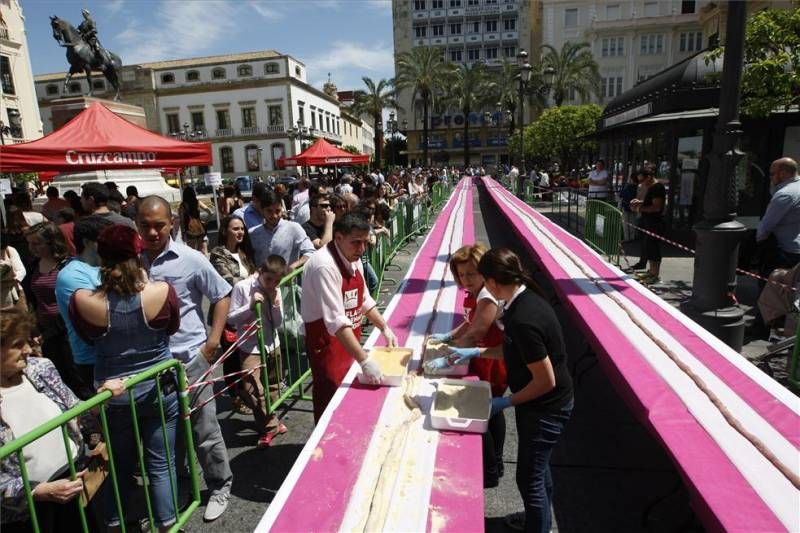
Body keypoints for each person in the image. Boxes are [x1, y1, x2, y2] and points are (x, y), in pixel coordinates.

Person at [426, 248, 573, 533]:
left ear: (491, 282)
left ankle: (537, 526)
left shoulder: (523, 319)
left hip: (546, 407)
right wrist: (474, 351)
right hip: (543, 403)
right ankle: (537, 519)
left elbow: (546, 381)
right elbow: (510, 350)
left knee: (529, 478)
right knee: (539, 470)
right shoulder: (522, 299)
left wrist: (504, 402)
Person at [69, 224, 181, 532]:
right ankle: (167, 525)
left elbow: (87, 338)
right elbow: (171, 328)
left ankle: (115, 523)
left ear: (100, 257)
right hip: (159, 387)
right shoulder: (162, 291)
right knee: (162, 463)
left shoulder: (82, 300)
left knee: (118, 465)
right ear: (138, 252)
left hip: (112, 395)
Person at [135, 196, 233, 522]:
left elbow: (221, 295)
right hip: (154, 366)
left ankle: (220, 485)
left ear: (171, 224)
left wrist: (213, 342)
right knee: (169, 434)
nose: (152, 232)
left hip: (191, 359)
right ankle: (184, 488)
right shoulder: (132, 265)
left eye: (159, 225)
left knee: (205, 431)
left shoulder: (190, 259)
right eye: (145, 225)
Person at [0, 308, 101, 533]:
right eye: (17, 345)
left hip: (73, 483)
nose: (27, 350)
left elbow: (77, 409)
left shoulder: (40, 368)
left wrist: (102, 400)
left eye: (27, 341)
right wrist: (35, 492)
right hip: (29, 511)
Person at [300, 213, 397, 422]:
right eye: (356, 243)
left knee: (348, 396)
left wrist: (384, 327)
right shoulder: (324, 266)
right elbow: (336, 321)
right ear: (338, 237)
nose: (362, 249)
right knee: (330, 397)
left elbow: (363, 299)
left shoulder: (353, 258)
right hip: (326, 343)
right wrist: (364, 359)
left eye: (365, 242)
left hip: (348, 338)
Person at [430, 243, 508, 488]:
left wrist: (447, 357)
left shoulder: (486, 295)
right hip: (480, 358)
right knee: (488, 410)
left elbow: (476, 334)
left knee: (484, 411)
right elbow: (467, 324)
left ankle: (492, 470)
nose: (466, 279)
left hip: (492, 362)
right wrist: (448, 337)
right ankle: (496, 461)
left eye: (471, 274)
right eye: (461, 275)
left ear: (484, 271)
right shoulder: (474, 294)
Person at [228, 255, 287, 447]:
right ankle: (269, 426)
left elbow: (277, 323)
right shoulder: (243, 287)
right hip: (250, 346)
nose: (272, 284)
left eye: (276, 281)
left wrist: (276, 303)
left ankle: (271, 421)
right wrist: (250, 306)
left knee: (273, 385)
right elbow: (231, 319)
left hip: (272, 343)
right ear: (261, 272)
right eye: (269, 279)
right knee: (253, 389)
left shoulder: (275, 290)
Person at [55, 215, 114, 399]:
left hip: (115, 355)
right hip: (93, 361)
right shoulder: (71, 275)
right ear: (88, 242)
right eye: (104, 240)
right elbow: (104, 315)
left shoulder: (108, 266)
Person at [209, 215, 257, 415]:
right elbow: (231, 281)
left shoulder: (244, 253)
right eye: (235, 229)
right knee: (231, 358)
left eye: (242, 229)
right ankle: (236, 396)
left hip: (246, 313)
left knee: (245, 353)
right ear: (225, 231)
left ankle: (249, 393)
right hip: (227, 313)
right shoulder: (218, 254)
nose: (240, 233)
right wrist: (256, 280)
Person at [23, 222, 74, 382]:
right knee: (58, 375)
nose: (32, 248)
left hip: (68, 331)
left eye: (37, 243)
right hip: (45, 332)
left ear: (52, 242)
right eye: (30, 243)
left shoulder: (68, 265)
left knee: (75, 374)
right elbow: (32, 299)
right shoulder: (33, 266)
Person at [249, 189, 315, 270]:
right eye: (269, 211)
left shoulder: (294, 228)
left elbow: (310, 252)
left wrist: (293, 266)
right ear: (262, 211)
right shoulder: (252, 233)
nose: (274, 216)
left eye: (277, 211)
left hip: (287, 281)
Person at [756, 157, 800, 274]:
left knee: (771, 289)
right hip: (795, 249)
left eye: (772, 174)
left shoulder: (785, 194)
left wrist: (758, 244)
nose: (770, 177)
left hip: (784, 252)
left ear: (783, 173)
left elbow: (766, 226)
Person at [629, 171, 665, 283]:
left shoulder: (657, 187)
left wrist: (639, 208)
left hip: (654, 222)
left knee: (653, 248)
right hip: (648, 221)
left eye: (642, 180)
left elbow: (656, 207)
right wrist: (640, 202)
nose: (641, 183)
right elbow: (651, 202)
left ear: (649, 177)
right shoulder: (651, 187)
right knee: (648, 247)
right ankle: (651, 272)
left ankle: (655, 275)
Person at [178, 187, 212, 254]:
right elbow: (211, 212)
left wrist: (182, 233)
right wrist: (205, 222)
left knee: (192, 252)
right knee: (203, 251)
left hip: (190, 231)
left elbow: (181, 221)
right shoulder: (198, 202)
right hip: (200, 229)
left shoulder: (182, 206)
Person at [618, 172, 641, 243]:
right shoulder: (639, 187)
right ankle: (632, 237)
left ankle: (627, 238)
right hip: (635, 207)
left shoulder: (628, 186)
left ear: (631, 179)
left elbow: (621, 194)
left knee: (625, 223)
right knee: (633, 222)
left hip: (626, 206)